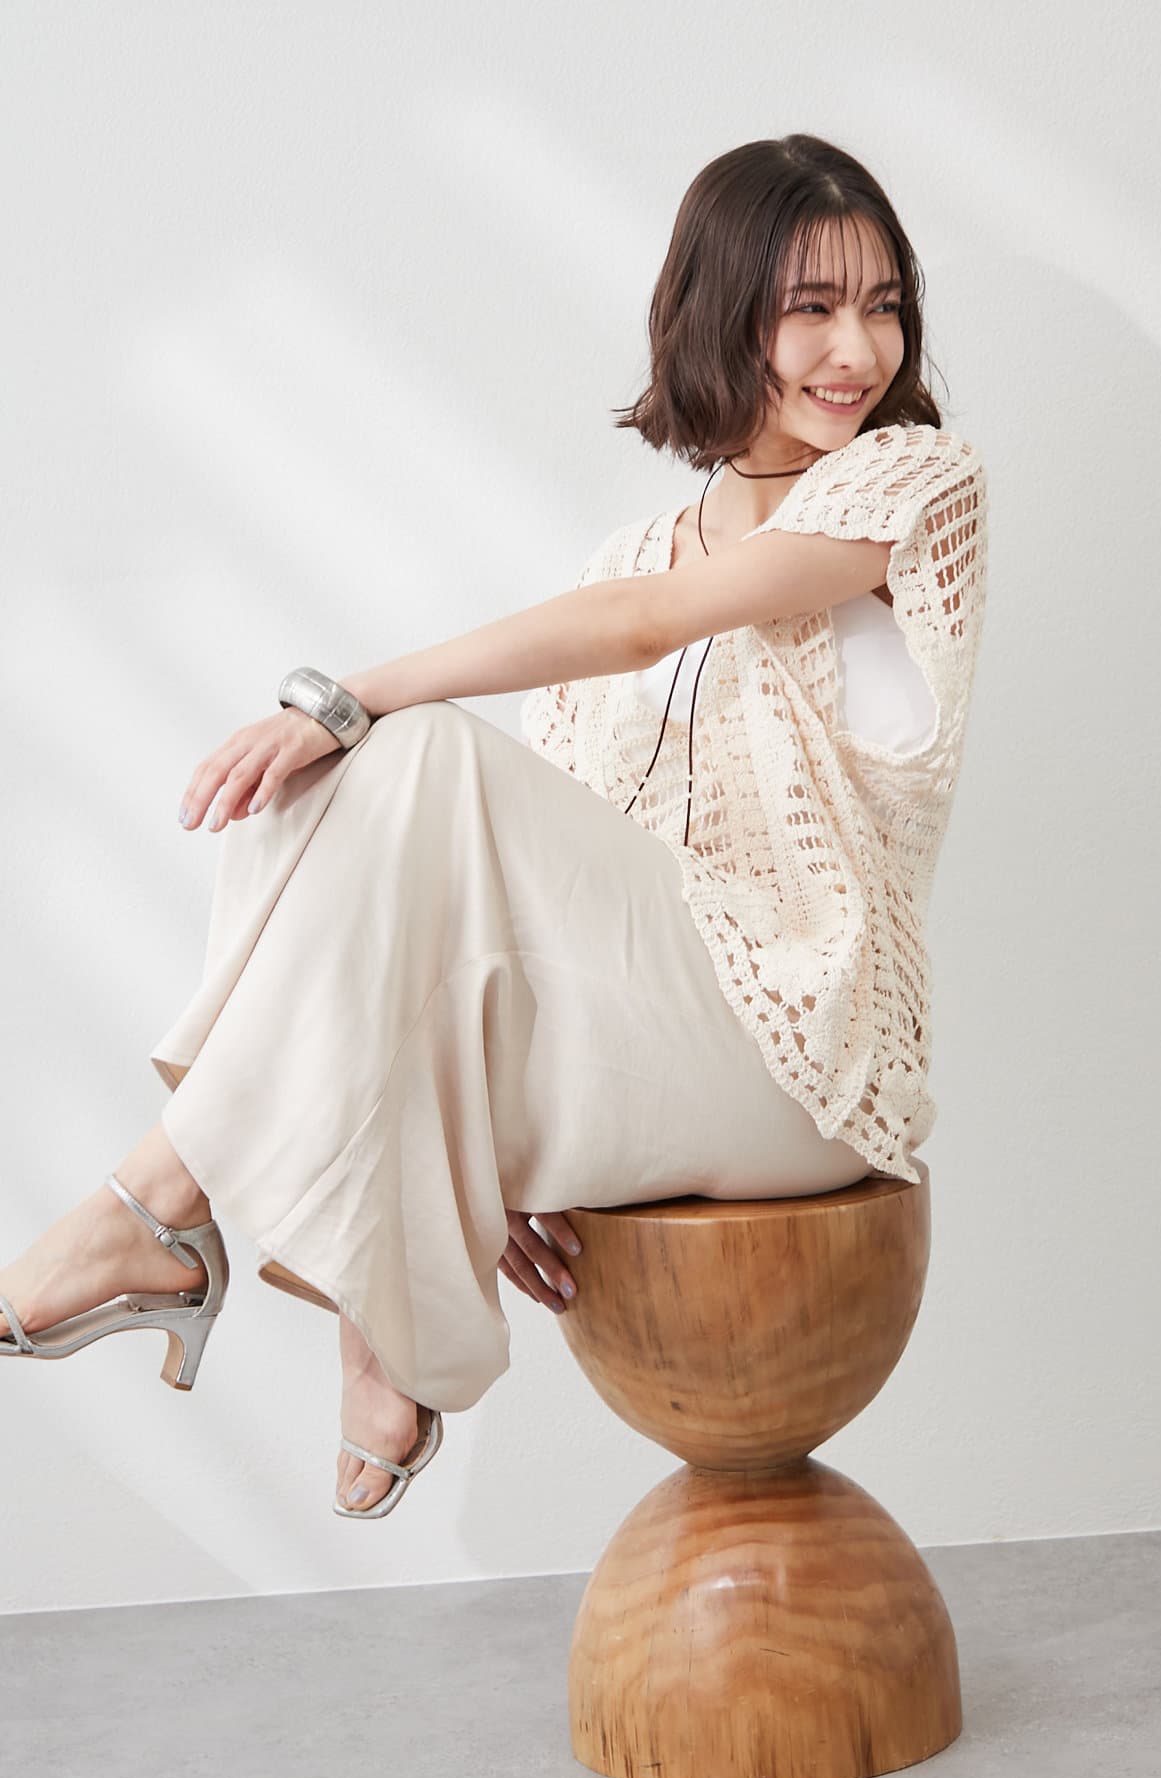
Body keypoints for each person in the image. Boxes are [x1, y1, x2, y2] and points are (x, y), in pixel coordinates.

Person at [0, 133, 989, 1521]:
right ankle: (334, 1287)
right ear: (723, 313)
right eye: (810, 307)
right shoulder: (627, 556)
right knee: (345, 794)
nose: (858, 349)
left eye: (882, 305)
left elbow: (644, 629)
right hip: (649, 1055)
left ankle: (167, 1205)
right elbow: (510, 905)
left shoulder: (916, 490)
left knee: (405, 751)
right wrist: (491, 1123)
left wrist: (352, 693)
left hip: (809, 1065)